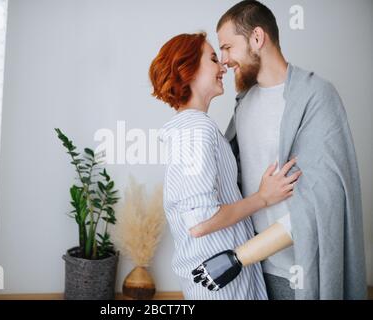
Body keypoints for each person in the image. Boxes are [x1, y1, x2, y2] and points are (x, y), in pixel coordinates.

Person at [192, 0, 367, 300]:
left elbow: (321, 203)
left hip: (299, 273)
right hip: (253, 274)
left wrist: (237, 258)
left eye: (228, 47)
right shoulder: (244, 102)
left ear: (257, 38)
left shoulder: (315, 97)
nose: (224, 60)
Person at [149, 32, 301, 299]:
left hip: (222, 280)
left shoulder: (195, 127)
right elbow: (201, 221)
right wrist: (263, 198)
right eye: (212, 59)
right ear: (189, 69)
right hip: (220, 284)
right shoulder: (195, 129)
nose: (223, 67)